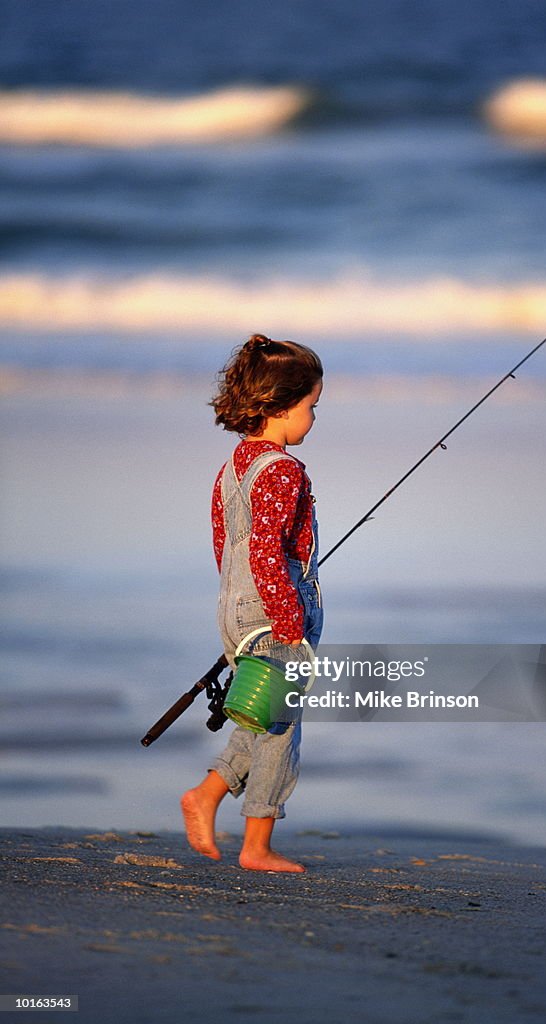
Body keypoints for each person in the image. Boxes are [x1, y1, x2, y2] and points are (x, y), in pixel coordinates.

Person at [181, 334, 324, 873]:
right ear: (282, 407)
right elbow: (266, 551)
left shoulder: (235, 467)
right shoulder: (284, 472)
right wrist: (287, 619)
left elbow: (226, 541)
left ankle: (206, 796)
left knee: (259, 715)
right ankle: (257, 845)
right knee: (280, 727)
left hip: (235, 607)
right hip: (271, 614)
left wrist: (240, 607)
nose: (313, 418)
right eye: (312, 407)